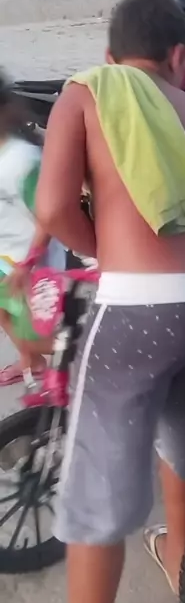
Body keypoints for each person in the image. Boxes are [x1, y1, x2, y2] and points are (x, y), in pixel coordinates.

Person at [35, 0, 185, 603]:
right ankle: (180, 559)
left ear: (110, 58)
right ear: (179, 57)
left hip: (141, 307)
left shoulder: (88, 90)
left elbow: (52, 208)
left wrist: (103, 249)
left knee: (98, 490)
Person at [0, 72, 66, 387]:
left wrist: (28, 263)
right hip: (6, 256)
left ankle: (86, 356)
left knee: (40, 334)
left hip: (32, 263)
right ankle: (32, 362)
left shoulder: (22, 161)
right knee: (5, 313)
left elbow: (48, 216)